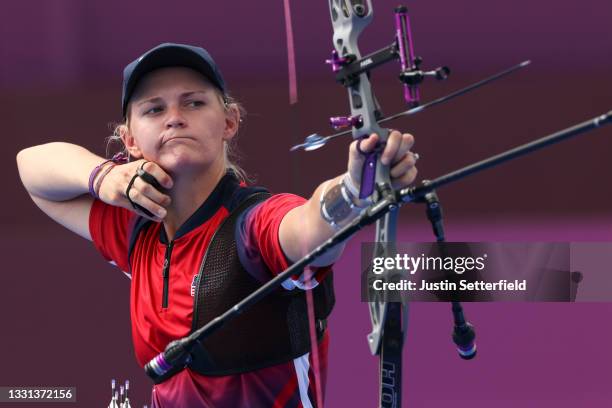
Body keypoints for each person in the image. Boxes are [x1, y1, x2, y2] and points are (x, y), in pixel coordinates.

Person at [16, 43, 418, 407]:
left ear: (229, 121)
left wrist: (352, 190)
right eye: (154, 109)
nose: (174, 119)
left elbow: (309, 229)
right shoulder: (138, 229)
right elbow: (32, 169)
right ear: (130, 140)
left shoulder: (253, 224)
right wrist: (103, 178)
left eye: (193, 104)